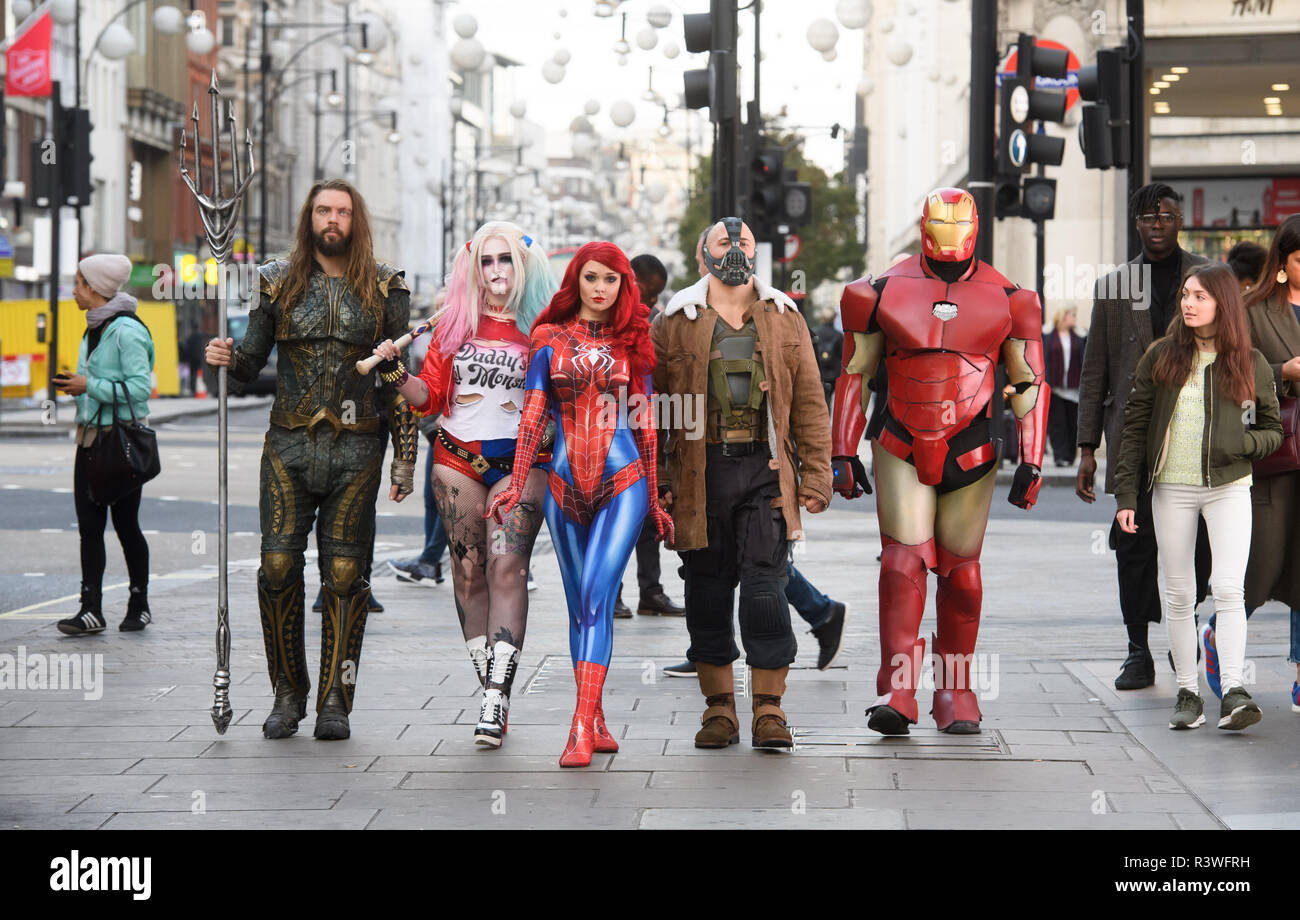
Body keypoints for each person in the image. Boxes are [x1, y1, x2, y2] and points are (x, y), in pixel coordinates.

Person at [205, 179, 417, 741]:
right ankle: (287, 691)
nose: (333, 219)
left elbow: (397, 382)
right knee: (276, 567)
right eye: (324, 209)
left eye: (343, 211)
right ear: (310, 217)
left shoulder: (386, 286)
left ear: (356, 220)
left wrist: (405, 457)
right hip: (288, 446)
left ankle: (335, 701)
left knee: (345, 575)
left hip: (357, 447)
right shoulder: (276, 282)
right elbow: (249, 364)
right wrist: (222, 358)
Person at [832, 187, 1049, 736]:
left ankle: (955, 690)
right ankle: (898, 691)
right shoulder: (876, 292)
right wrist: (842, 449)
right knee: (901, 564)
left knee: (963, 575)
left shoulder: (1012, 299)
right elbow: (855, 373)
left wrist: (1033, 458)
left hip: (972, 445)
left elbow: (1028, 380)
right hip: (901, 438)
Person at [488, 241, 672, 767]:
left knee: (595, 596)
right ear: (577, 280)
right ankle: (596, 719)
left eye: (610, 279)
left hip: (624, 480)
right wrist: (516, 483)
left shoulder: (634, 340)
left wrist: (654, 501)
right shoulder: (547, 338)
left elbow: (647, 425)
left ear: (623, 285)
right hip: (562, 487)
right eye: (591, 277)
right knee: (579, 605)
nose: (600, 287)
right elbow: (532, 417)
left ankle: (578, 727)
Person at [372, 221, 556, 747]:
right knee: (469, 574)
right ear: (474, 269)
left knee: (507, 568)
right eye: (486, 261)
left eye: (506, 260)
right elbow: (429, 398)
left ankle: (496, 697)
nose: (496, 270)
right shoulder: (455, 325)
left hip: (522, 462)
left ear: (521, 266)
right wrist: (392, 371)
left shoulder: (544, 328)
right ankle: (490, 688)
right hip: (456, 458)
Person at [655, 217, 832, 750]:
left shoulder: (784, 317)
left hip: (765, 471)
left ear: (759, 251)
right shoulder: (676, 321)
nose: (735, 248)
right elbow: (662, 410)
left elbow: (808, 400)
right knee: (706, 591)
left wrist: (817, 475)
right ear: (701, 252)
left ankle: (769, 712)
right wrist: (662, 479)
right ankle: (719, 712)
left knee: (764, 591)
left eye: (745, 241)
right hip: (699, 472)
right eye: (723, 241)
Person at [1113, 262, 1280, 731]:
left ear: (1222, 303)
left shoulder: (1250, 362)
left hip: (1229, 488)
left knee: (1228, 588)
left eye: (1200, 296)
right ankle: (1188, 693)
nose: (1188, 303)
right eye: (1186, 294)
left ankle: (1232, 691)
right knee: (1181, 593)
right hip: (1172, 488)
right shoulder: (1162, 356)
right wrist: (1127, 495)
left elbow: (1270, 430)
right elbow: (1134, 428)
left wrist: (1241, 445)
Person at [1076, 182, 1213, 691]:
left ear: (1180, 221)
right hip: (1132, 436)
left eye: (1167, 216)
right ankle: (1138, 649)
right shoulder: (1114, 286)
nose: (1158, 225)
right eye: (1148, 218)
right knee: (1133, 545)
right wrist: (1087, 449)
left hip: (1194, 434)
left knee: (1197, 545)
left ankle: (1186, 633)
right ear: (1136, 224)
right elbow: (1095, 372)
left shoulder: (1205, 277)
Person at [55, 254, 156, 635]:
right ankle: (90, 609)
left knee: (127, 525)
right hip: (90, 439)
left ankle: (139, 602)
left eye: (79, 283)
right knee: (90, 527)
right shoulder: (94, 327)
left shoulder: (126, 331)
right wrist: (78, 390)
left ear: (95, 289)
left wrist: (89, 386)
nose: (75, 290)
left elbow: (141, 390)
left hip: (121, 444)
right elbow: (101, 384)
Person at [1237, 215, 1300, 713]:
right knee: (1267, 559)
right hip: (1280, 455)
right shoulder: (1254, 310)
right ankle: (1222, 632)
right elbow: (1236, 375)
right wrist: (1283, 372)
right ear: (1281, 263)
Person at [613, 253, 684, 619]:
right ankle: (612, 592)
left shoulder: (656, 323)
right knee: (615, 516)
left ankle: (650, 592)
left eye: (657, 297)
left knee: (647, 513)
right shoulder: (610, 321)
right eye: (648, 294)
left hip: (647, 430)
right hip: (613, 433)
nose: (652, 304)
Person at [389, 301, 451, 586]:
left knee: (446, 501)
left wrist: (451, 413)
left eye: (445, 302)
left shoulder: (462, 331)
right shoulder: (423, 335)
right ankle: (430, 564)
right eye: (439, 303)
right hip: (431, 425)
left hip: (452, 429)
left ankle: (429, 560)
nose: (440, 308)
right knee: (431, 498)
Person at [1044, 307, 1086, 467]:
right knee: (1057, 423)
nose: (1075, 318)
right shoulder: (1048, 335)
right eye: (1072, 315)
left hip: (1075, 387)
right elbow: (1045, 357)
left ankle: (1070, 456)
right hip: (1055, 386)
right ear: (1063, 315)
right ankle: (1059, 456)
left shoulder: (1080, 336)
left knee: (1073, 423)